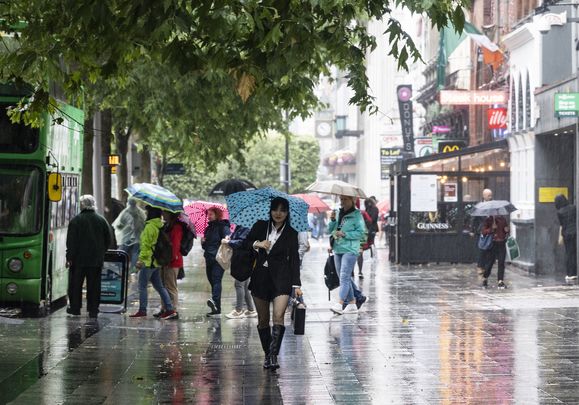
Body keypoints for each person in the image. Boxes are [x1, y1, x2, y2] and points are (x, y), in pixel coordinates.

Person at [246, 197, 302, 370]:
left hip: (282, 280)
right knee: (263, 320)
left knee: (278, 316)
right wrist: (258, 244)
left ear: (287, 213)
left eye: (283, 210)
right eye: (275, 209)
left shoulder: (292, 233)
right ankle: (267, 354)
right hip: (260, 278)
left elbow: (294, 259)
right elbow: (245, 243)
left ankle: (273, 356)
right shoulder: (260, 226)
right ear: (270, 210)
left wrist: (296, 285)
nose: (278, 213)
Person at [65, 195, 112, 318]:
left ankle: (75, 308)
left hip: (78, 260)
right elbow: (108, 239)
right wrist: (101, 252)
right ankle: (93, 310)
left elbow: (71, 241)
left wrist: (69, 257)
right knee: (94, 285)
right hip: (96, 260)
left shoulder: (76, 220)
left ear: (82, 205)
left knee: (75, 285)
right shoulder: (102, 220)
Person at [129, 206, 177, 319]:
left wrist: (141, 260)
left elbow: (146, 246)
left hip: (148, 262)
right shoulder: (158, 225)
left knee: (142, 286)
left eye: (147, 211)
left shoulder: (150, 226)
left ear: (150, 213)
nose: (145, 213)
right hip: (156, 262)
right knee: (159, 286)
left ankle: (142, 310)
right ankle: (169, 309)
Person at [328, 195, 367, 314]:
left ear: (353, 200)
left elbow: (361, 233)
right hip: (338, 248)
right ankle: (352, 303)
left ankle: (340, 303)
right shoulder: (338, 213)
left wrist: (345, 234)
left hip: (350, 249)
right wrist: (333, 221)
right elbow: (331, 231)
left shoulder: (357, 215)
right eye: (341, 199)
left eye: (345, 199)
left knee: (344, 276)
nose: (343, 202)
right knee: (343, 277)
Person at [223, 225, 257, 319]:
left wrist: (229, 242)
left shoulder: (248, 226)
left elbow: (242, 243)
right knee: (244, 286)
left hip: (245, 259)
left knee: (239, 284)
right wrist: (230, 237)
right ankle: (251, 309)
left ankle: (239, 310)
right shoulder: (242, 225)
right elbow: (238, 237)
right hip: (242, 258)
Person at [201, 207, 231, 317]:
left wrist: (226, 239)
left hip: (219, 258)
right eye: (208, 214)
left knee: (216, 280)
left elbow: (228, 239)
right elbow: (205, 246)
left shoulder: (223, 226)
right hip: (208, 258)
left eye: (211, 214)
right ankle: (216, 308)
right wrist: (203, 242)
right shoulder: (208, 228)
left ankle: (214, 301)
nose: (208, 216)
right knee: (212, 282)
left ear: (217, 215)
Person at [157, 211, 184, 318]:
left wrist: (170, 259)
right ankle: (164, 308)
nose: (162, 213)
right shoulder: (168, 226)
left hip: (172, 262)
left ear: (170, 214)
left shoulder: (176, 227)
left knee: (170, 287)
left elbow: (175, 245)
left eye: (165, 212)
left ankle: (173, 310)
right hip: (166, 260)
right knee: (164, 286)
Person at [112, 197, 146, 272]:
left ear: (128, 202)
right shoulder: (140, 212)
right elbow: (144, 223)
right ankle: (133, 271)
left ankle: (118, 269)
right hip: (138, 238)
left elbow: (119, 225)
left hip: (126, 238)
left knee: (122, 252)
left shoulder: (126, 212)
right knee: (135, 254)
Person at [481, 214, 509, 289]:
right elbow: (483, 232)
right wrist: (491, 229)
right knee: (490, 263)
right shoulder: (488, 220)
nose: (496, 213)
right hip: (492, 244)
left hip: (501, 243)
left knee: (501, 262)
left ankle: (500, 281)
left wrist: (506, 230)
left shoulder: (503, 219)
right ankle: (485, 278)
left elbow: (506, 230)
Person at [554, 194, 577, 282]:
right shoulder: (573, 208)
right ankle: (574, 272)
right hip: (575, 233)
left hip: (567, 234)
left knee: (569, 254)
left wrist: (560, 237)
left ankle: (571, 273)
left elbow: (562, 225)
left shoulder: (560, 212)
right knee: (574, 253)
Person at [472, 189, 493, 279]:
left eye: (491, 195)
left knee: (490, 249)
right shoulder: (479, 206)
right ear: (484, 196)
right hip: (482, 230)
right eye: (488, 196)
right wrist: (473, 230)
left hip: (491, 230)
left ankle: (487, 267)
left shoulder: (493, 205)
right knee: (482, 249)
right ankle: (480, 266)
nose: (490, 197)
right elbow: (474, 219)